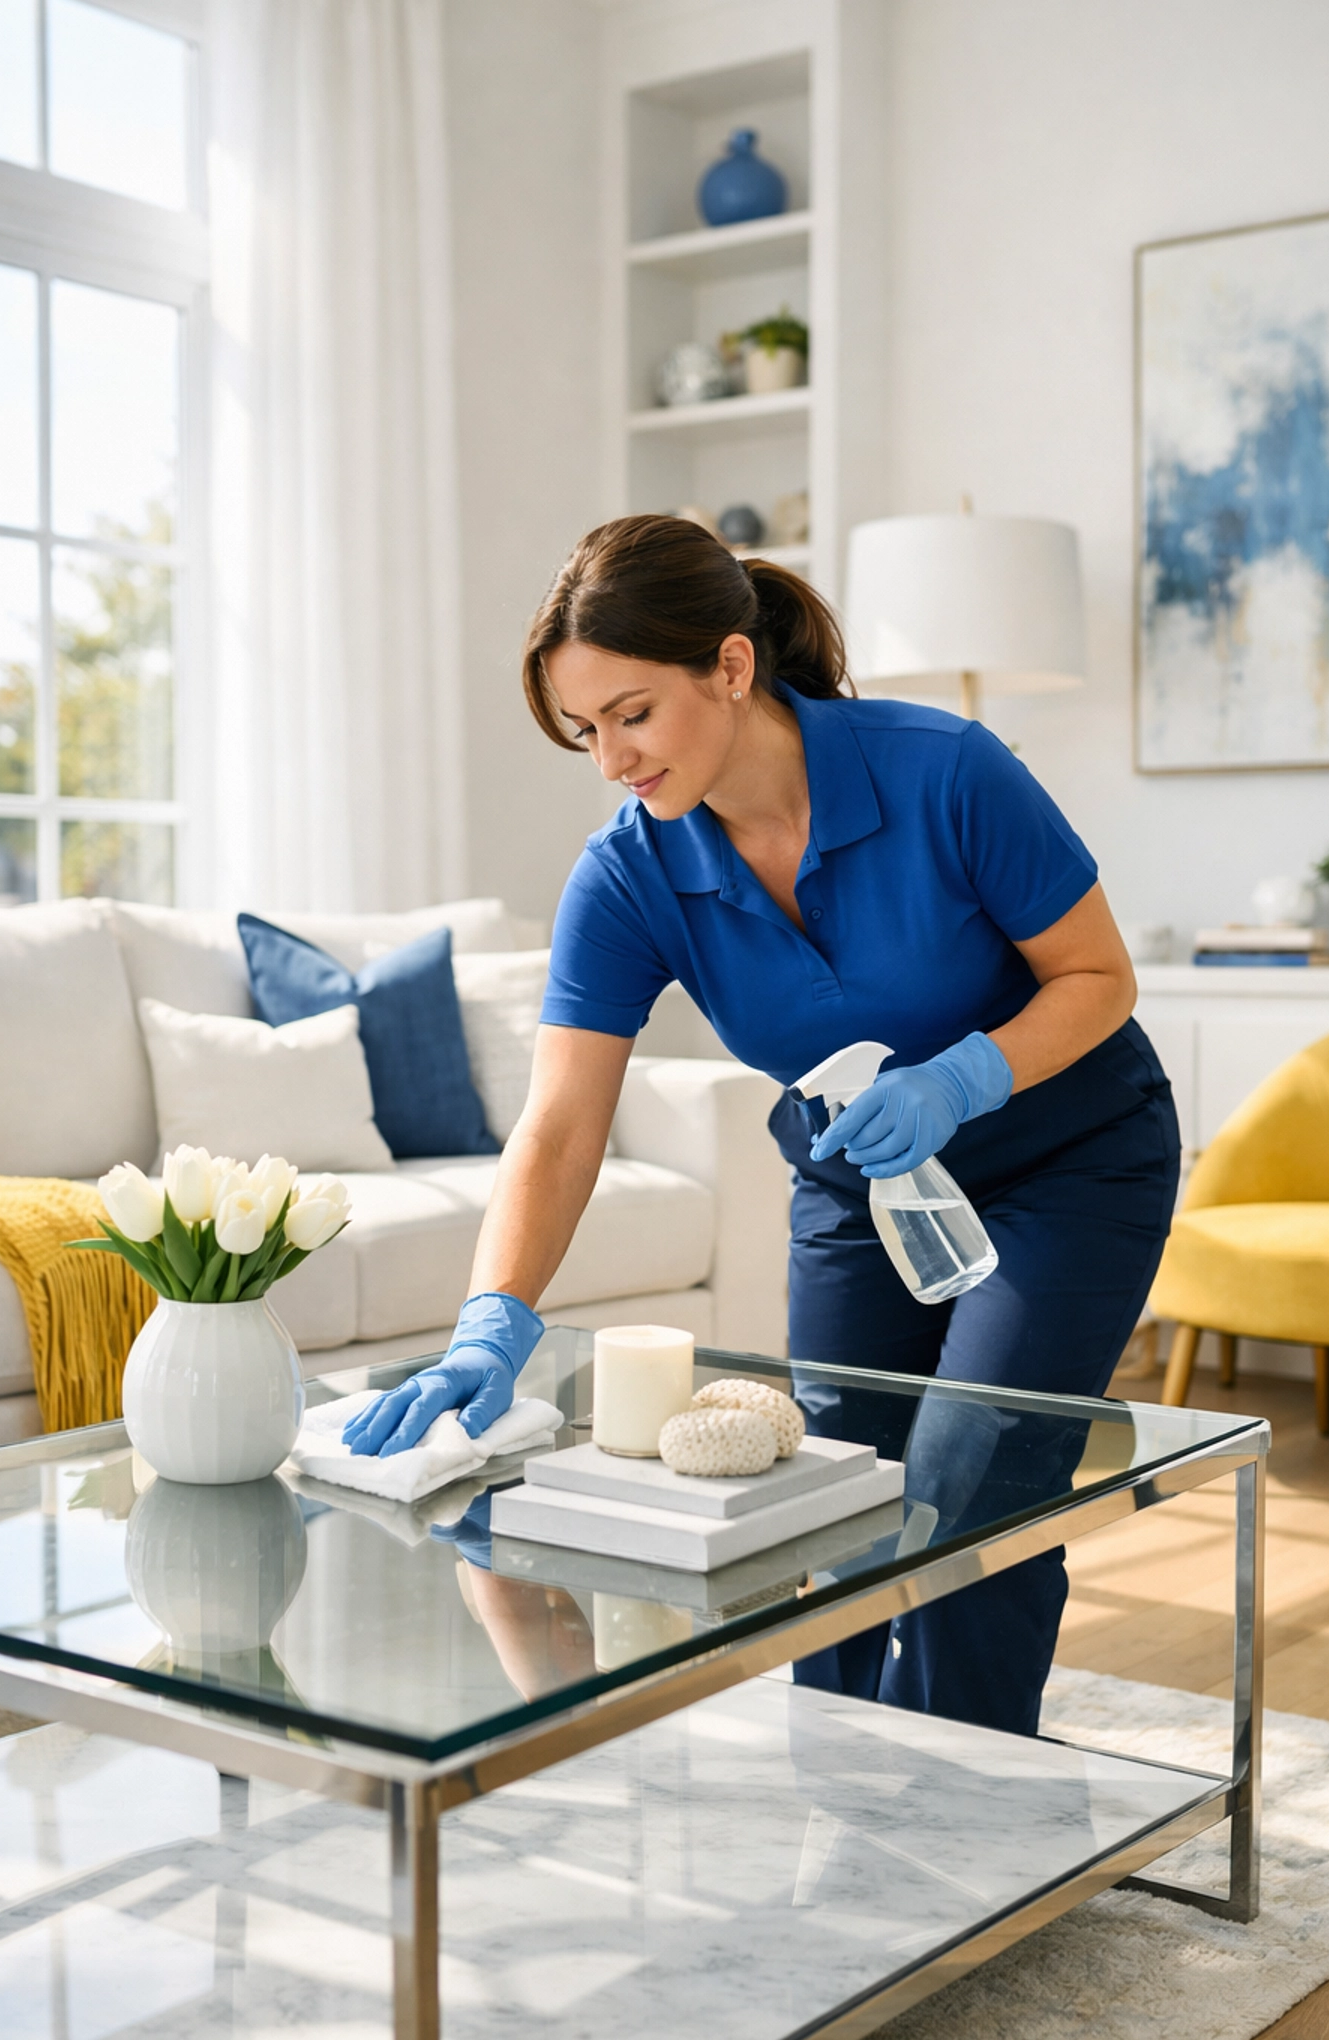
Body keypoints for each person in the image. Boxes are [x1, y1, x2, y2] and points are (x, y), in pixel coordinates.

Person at [345, 514, 1180, 1735]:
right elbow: (563, 1127)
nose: (612, 758)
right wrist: (493, 1319)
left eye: (632, 713)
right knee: (831, 1494)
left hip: (1066, 1159)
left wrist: (958, 1080)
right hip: (858, 1185)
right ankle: (830, 1792)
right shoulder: (630, 873)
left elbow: (1101, 979)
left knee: (973, 1479)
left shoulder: (946, 769)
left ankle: (963, 1823)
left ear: (731, 668)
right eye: (586, 731)